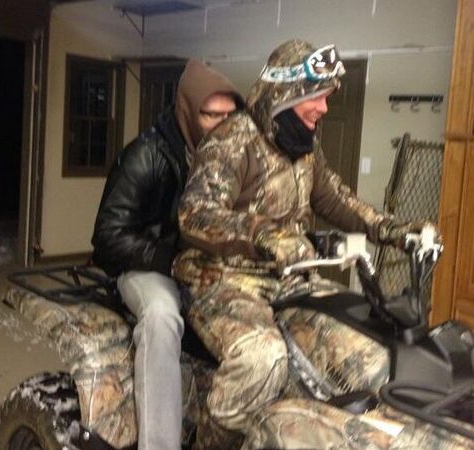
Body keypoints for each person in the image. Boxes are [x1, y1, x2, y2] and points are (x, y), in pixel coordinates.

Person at [173, 39, 438, 449]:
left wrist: (396, 230)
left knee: (369, 344)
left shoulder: (304, 146)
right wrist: (263, 234)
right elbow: (195, 214)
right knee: (261, 358)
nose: (324, 108)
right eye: (316, 97)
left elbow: (336, 199)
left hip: (289, 280)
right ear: (284, 94)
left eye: (327, 97)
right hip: (221, 280)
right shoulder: (232, 141)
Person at [91, 59, 242, 450]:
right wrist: (170, 259)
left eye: (230, 116)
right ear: (187, 112)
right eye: (212, 115)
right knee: (161, 318)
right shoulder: (146, 155)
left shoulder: (233, 159)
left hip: (206, 267)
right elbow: (107, 239)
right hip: (147, 265)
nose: (224, 126)